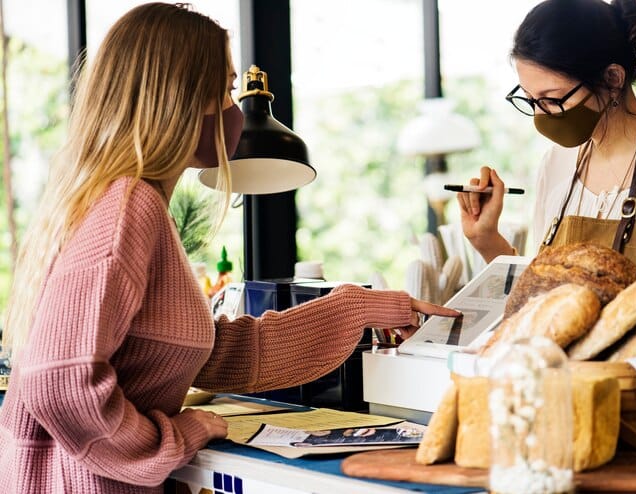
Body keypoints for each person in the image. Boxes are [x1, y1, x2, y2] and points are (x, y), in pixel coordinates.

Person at [0, 4, 459, 492]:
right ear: (182, 97)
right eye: (223, 89)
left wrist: (357, 308)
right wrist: (172, 438)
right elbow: (61, 381)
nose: (233, 110)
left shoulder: (121, 199)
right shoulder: (128, 207)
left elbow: (207, 354)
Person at [457, 0, 636, 265]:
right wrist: (487, 239)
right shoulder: (556, 165)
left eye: (552, 99)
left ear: (613, 78)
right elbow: (541, 298)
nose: (540, 115)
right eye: (530, 99)